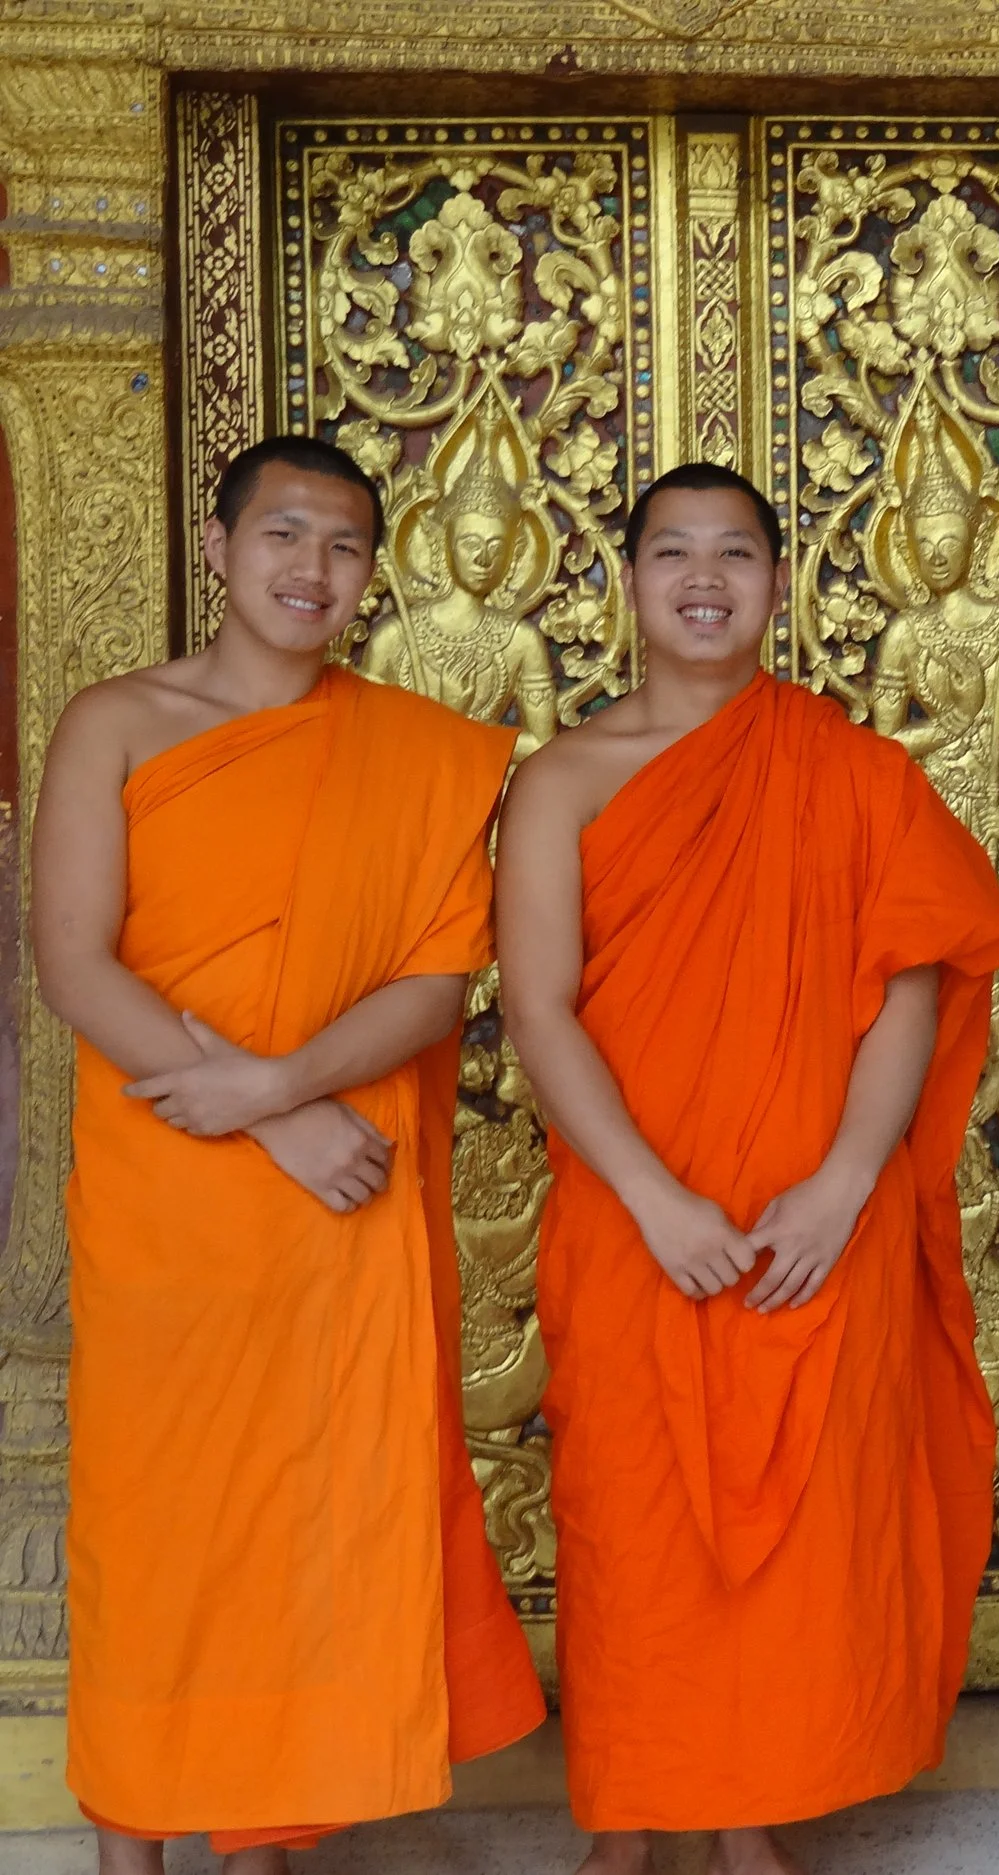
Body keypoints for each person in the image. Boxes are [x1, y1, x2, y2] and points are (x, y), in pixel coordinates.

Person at [33, 435, 545, 1873]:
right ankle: (132, 1831)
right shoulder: (117, 722)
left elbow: (440, 982)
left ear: (370, 575)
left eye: (343, 547)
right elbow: (74, 957)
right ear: (216, 543)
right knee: (159, 1522)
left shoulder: (416, 756)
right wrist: (276, 1110)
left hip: (332, 1206)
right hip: (174, 1192)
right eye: (283, 535)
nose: (311, 568)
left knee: (301, 1523)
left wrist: (290, 1080)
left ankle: (267, 1834)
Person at [495, 462, 999, 1875]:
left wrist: (850, 1179)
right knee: (638, 1520)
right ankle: (631, 1815)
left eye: (736, 552)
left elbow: (908, 974)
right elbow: (538, 1005)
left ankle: (745, 1818)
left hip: (807, 1217)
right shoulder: (560, 783)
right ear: (628, 583)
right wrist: (654, 1197)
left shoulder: (852, 772)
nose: (704, 577)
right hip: (631, 1208)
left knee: (794, 1534)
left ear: (781, 586)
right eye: (673, 552)